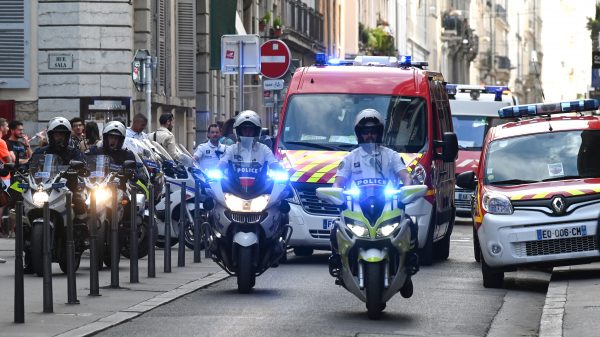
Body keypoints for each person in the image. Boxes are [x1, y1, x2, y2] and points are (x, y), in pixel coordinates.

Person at [329, 108, 418, 276]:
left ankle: (409, 264)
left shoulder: (391, 156)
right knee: (335, 228)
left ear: (380, 133)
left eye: (373, 132)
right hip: (356, 208)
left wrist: (407, 189)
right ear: (359, 134)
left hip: (388, 206)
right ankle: (338, 263)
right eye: (365, 132)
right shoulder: (350, 158)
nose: (369, 136)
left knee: (409, 223)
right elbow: (338, 183)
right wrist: (335, 195)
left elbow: (406, 177)